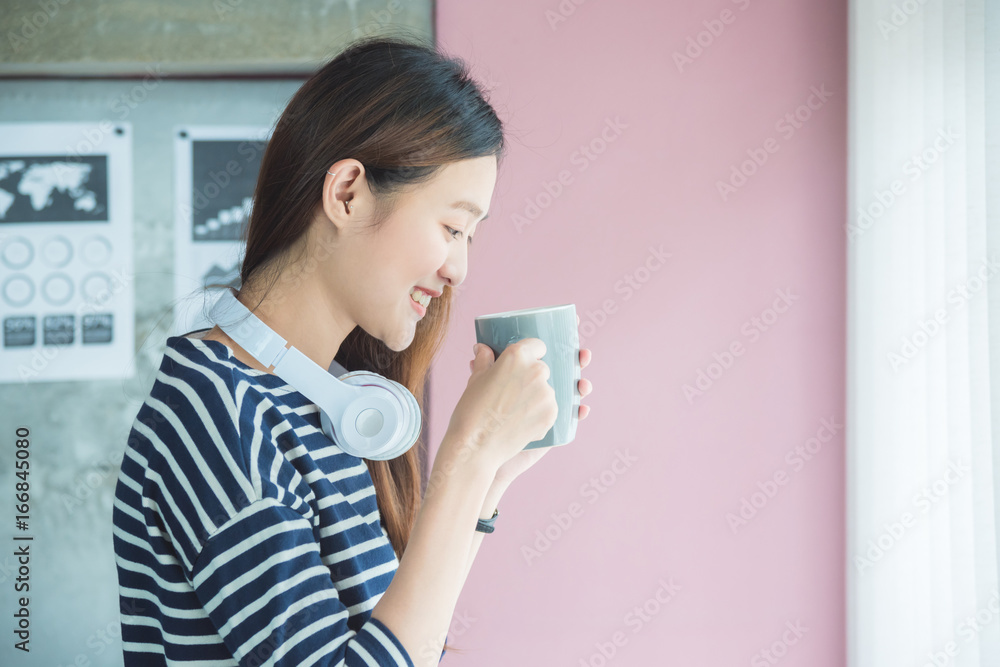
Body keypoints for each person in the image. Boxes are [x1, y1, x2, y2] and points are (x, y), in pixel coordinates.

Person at [112, 35, 594, 666]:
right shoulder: (217, 415)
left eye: (471, 236)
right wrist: (468, 452)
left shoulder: (322, 402)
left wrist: (492, 473)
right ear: (347, 193)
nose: (459, 269)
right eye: (452, 227)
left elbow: (400, 646)